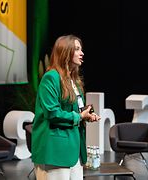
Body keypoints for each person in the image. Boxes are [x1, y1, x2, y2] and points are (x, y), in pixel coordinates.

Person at [32, 34, 101, 180]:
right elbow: (52, 113)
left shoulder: (74, 81)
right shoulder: (51, 78)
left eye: (81, 49)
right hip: (55, 150)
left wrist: (86, 114)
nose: (82, 53)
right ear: (65, 52)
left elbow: (75, 109)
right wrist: (79, 116)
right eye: (77, 49)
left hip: (74, 149)